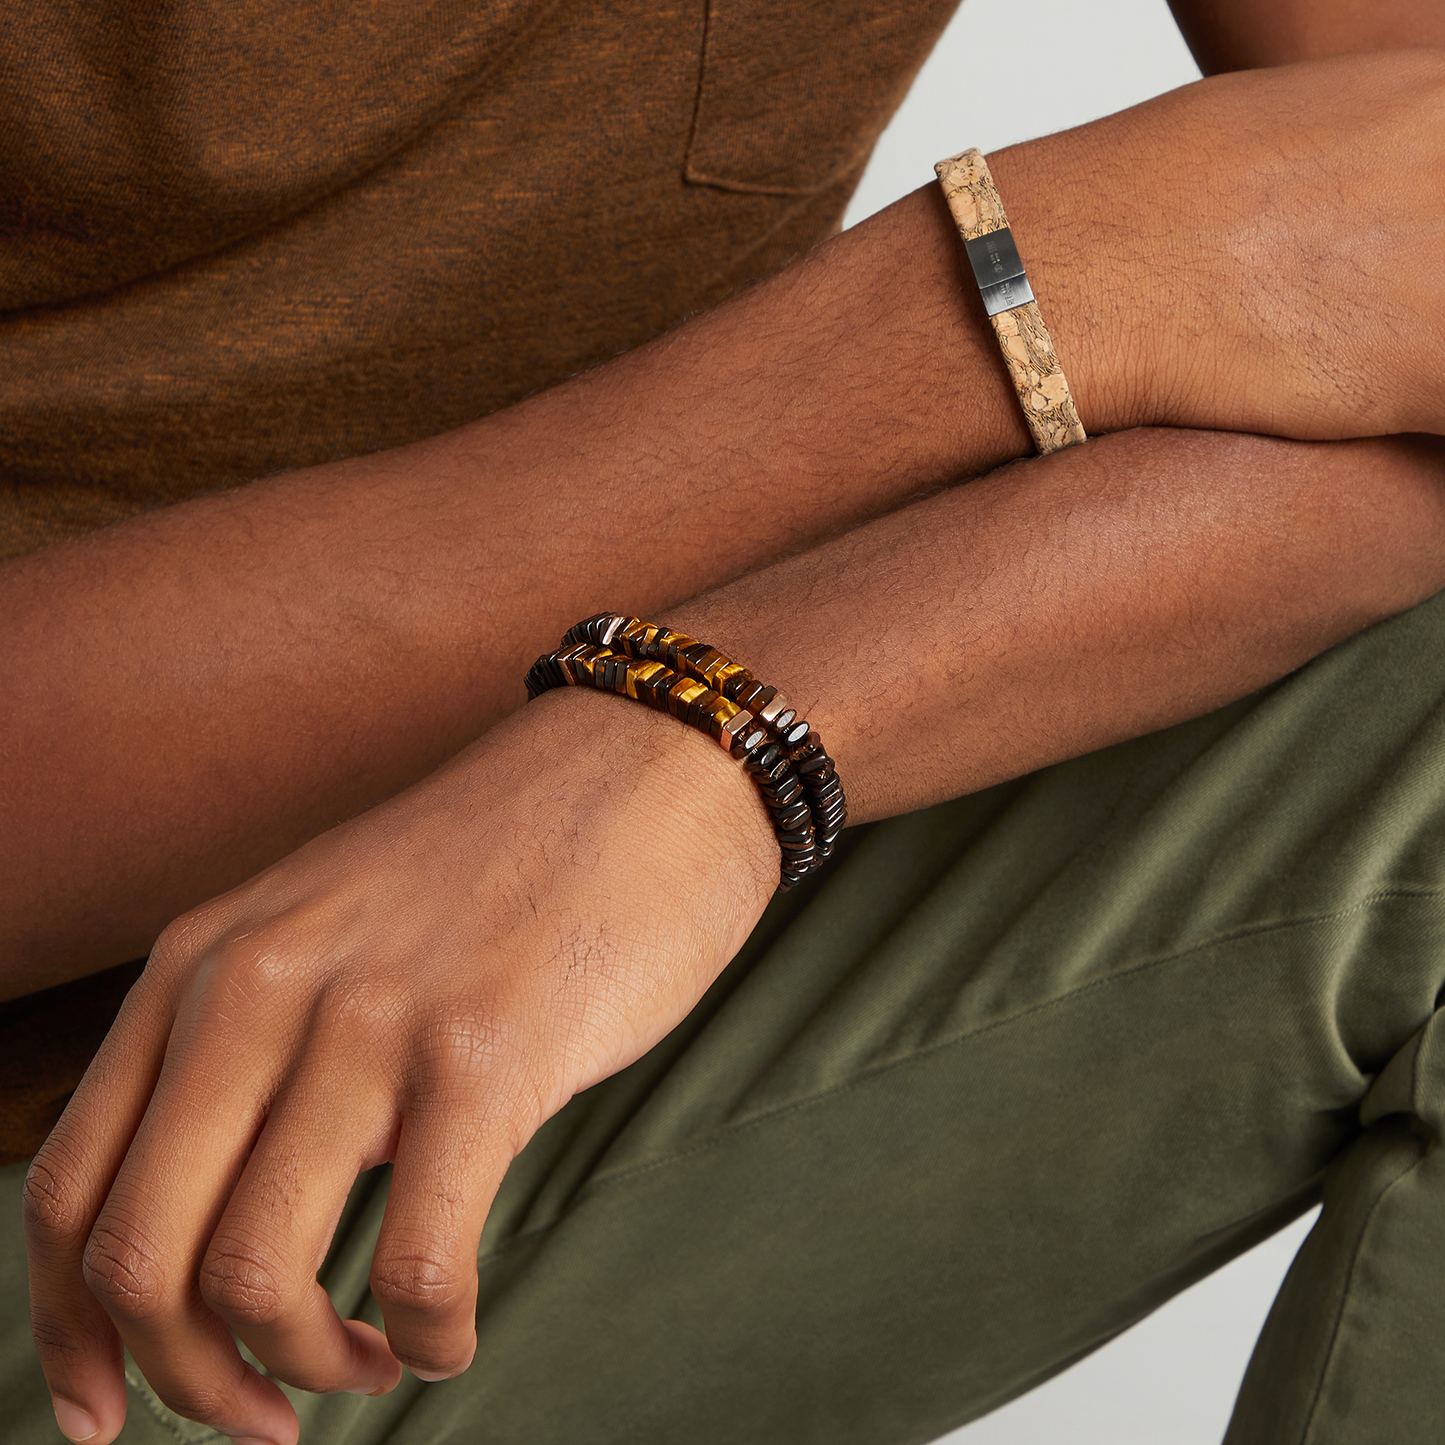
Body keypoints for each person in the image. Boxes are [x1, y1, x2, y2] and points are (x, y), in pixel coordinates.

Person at [4, 1, 1445, 1441]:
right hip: (88, 1254)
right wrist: (984, 313)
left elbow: (1397, 266)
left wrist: (724, 720)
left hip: (524, 1031)